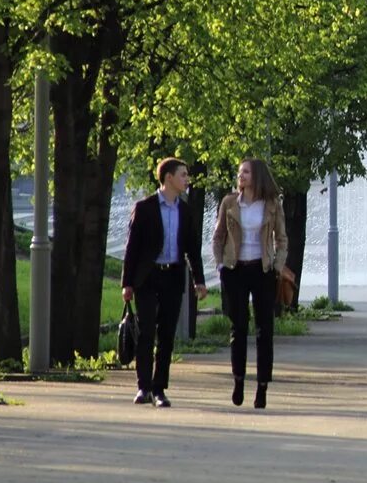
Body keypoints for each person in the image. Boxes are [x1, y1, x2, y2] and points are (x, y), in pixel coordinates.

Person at [122, 158, 208, 408]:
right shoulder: (145, 207)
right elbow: (132, 249)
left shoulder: (185, 210)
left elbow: (193, 249)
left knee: (167, 335)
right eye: (183, 175)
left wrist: (199, 280)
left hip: (172, 277)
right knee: (147, 331)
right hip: (148, 278)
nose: (187, 179)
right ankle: (143, 387)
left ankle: (159, 389)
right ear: (168, 178)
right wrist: (127, 283)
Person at [212, 158, 288, 409]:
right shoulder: (230, 202)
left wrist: (277, 267)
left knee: (264, 330)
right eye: (239, 172)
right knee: (239, 327)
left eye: (246, 171)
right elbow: (218, 235)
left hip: (262, 270)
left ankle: (262, 386)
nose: (241, 175)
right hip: (235, 270)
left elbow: (282, 239)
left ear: (257, 176)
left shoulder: (271, 205)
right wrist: (220, 265)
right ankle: (238, 380)